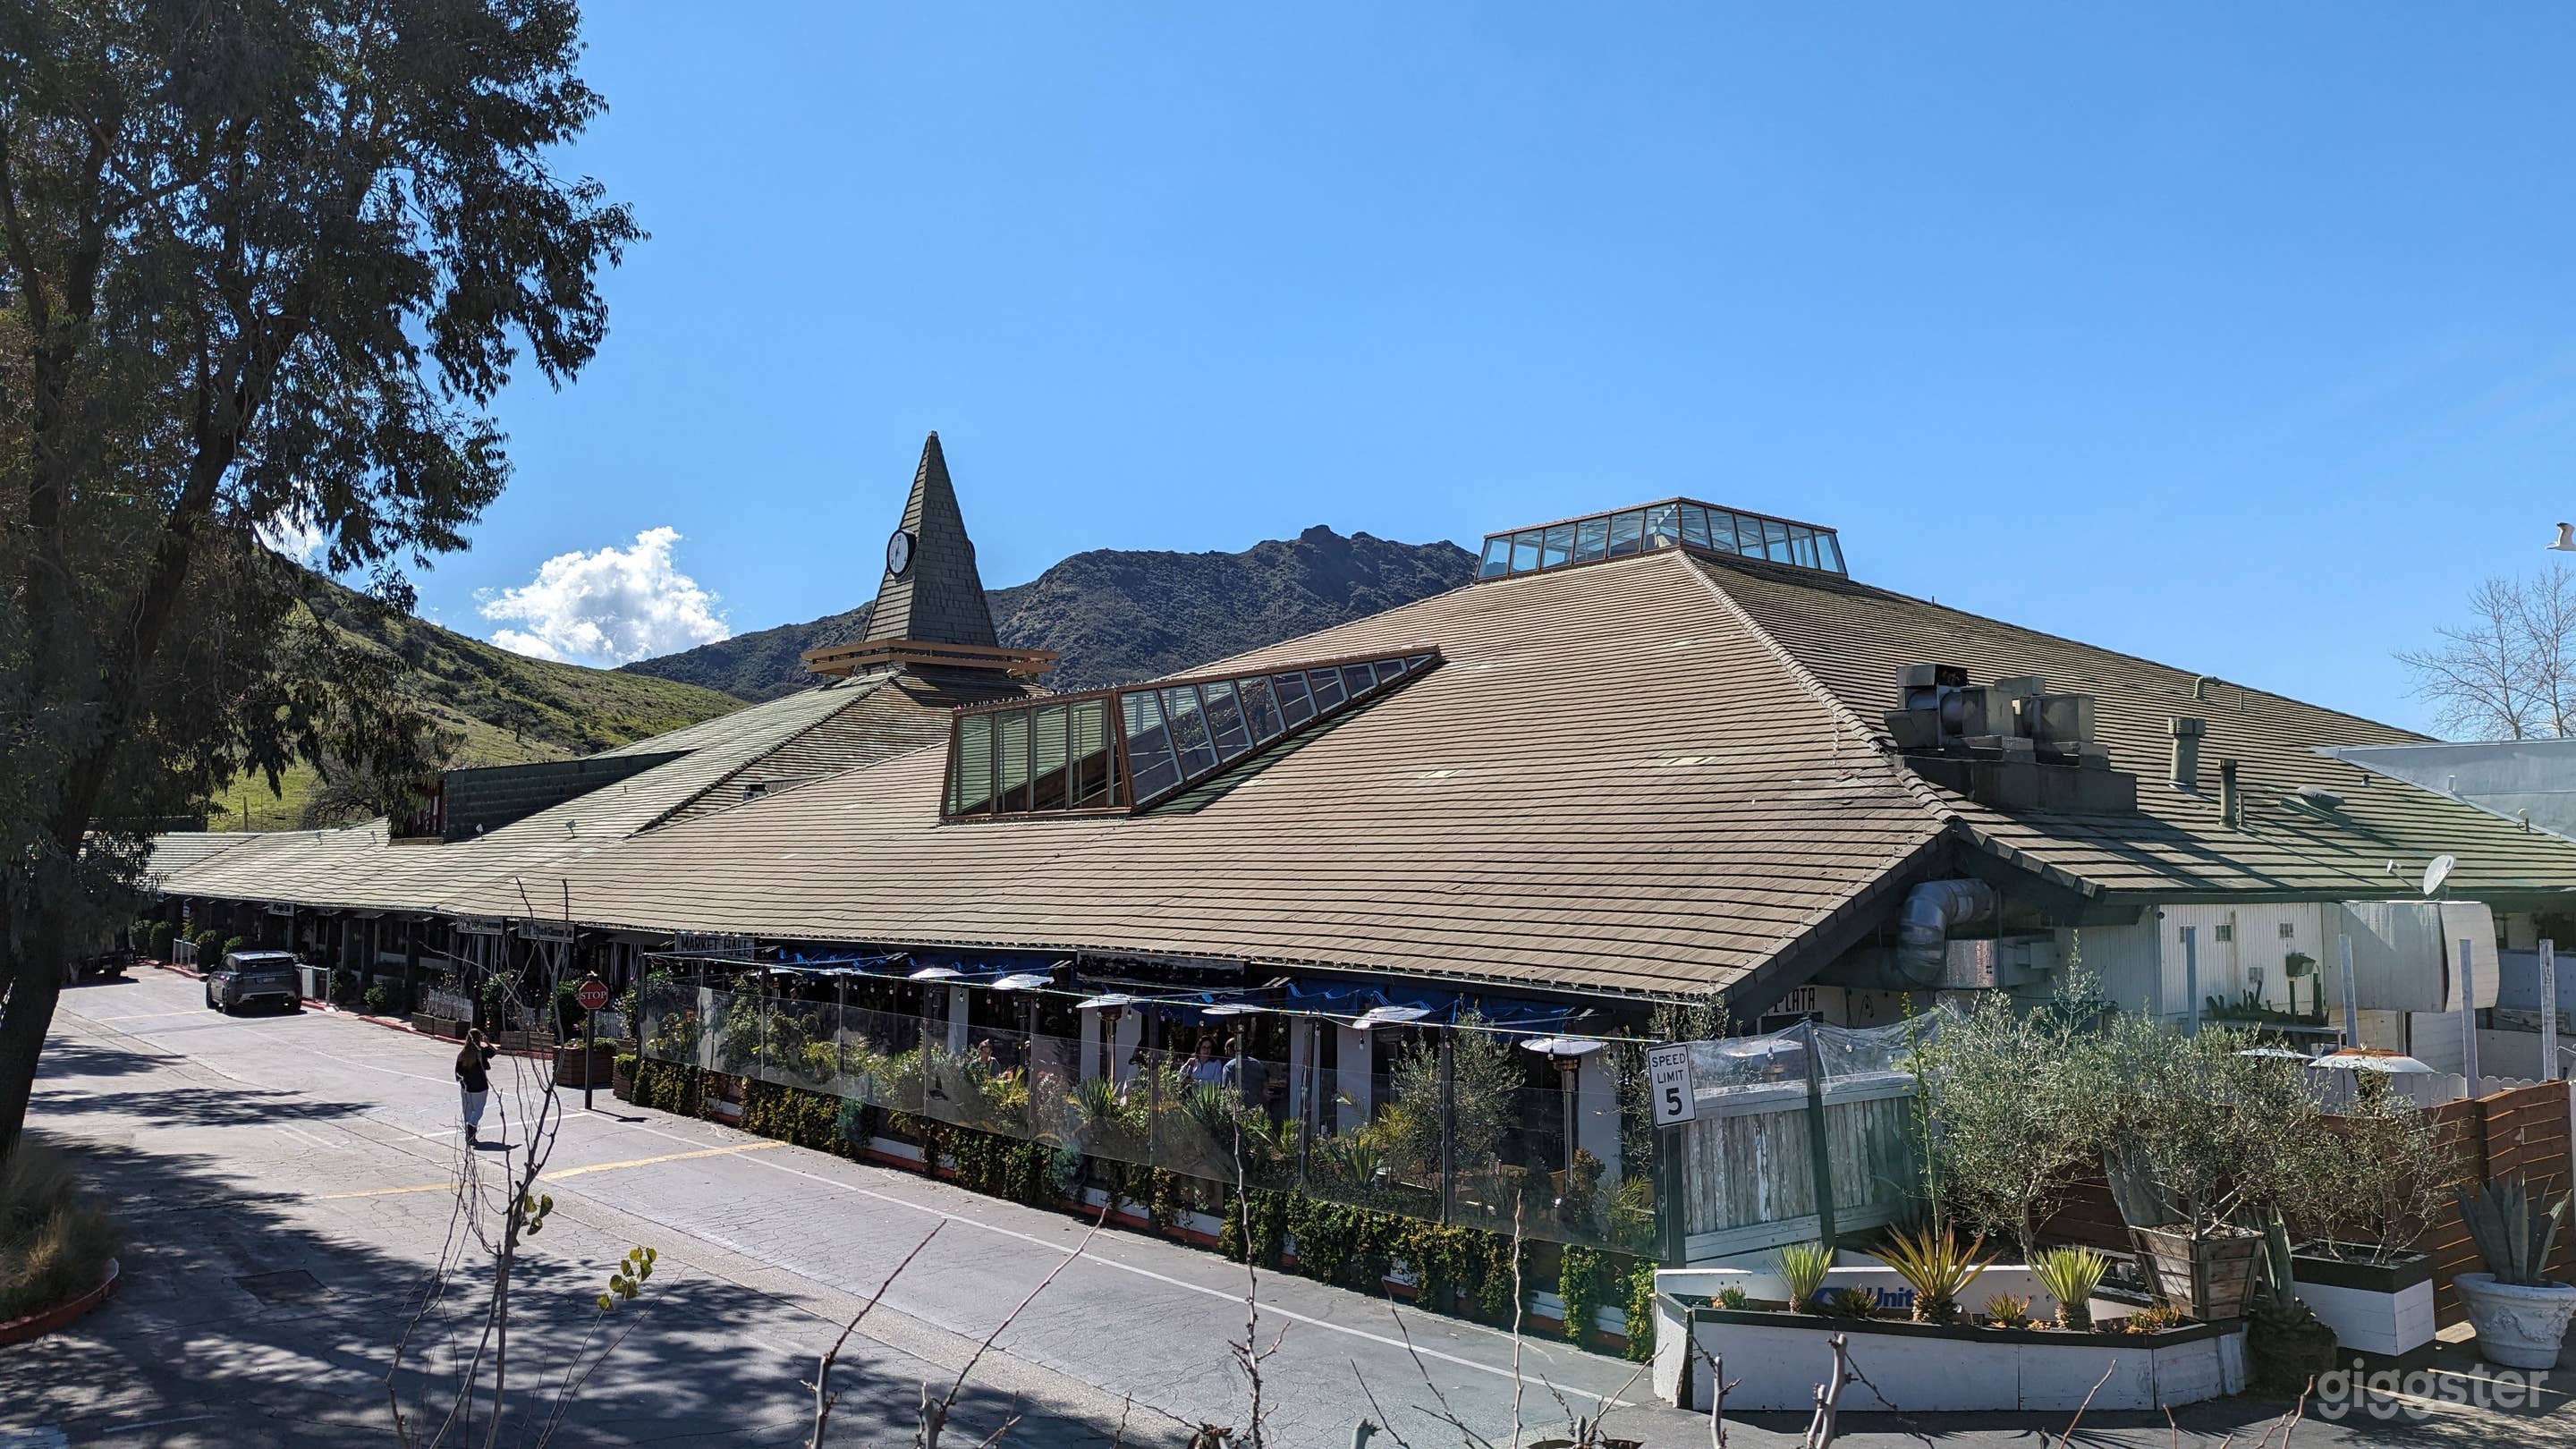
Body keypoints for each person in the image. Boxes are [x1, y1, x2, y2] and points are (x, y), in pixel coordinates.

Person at [455, 1029, 497, 1145]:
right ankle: (472, 1126)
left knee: (468, 1110)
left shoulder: (462, 1055)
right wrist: (487, 1043)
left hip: (466, 1087)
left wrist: (463, 1083)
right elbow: (494, 1052)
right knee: (478, 1110)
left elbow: (458, 1073)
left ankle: (469, 1136)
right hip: (480, 1086)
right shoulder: (481, 1052)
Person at [1222, 1036, 1269, 1109]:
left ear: (1229, 1050)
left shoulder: (1229, 1067)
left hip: (1237, 1108)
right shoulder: (1257, 1064)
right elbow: (1265, 1088)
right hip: (1257, 1109)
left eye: (1225, 1050)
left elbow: (1226, 1090)